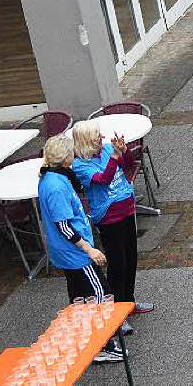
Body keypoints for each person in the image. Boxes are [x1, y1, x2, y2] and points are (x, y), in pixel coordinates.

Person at [37, 135, 122, 362]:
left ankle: (86, 339)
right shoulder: (55, 187)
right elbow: (64, 226)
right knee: (101, 294)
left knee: (80, 297)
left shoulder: (53, 177)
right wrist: (89, 250)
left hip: (66, 253)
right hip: (75, 254)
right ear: (65, 157)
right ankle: (104, 344)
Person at [71, 120, 154, 337]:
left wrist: (123, 152)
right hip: (109, 218)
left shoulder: (108, 149)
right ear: (87, 140)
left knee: (131, 259)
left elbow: (126, 165)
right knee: (117, 265)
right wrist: (115, 157)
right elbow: (104, 179)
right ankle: (118, 313)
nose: (102, 137)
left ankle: (129, 302)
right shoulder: (81, 165)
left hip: (127, 209)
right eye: (97, 135)